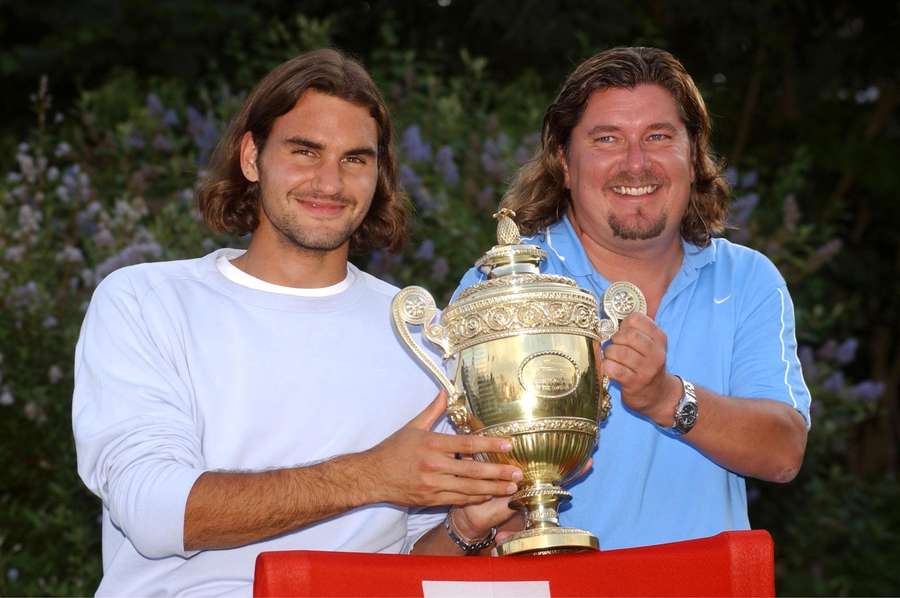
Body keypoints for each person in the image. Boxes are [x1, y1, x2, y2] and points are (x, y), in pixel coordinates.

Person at [73, 48, 521, 597]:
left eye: (355, 159)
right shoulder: (146, 300)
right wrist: (370, 474)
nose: (329, 183)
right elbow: (154, 507)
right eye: (305, 152)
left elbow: (412, 563)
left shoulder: (423, 332)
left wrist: (465, 527)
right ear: (251, 157)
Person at [455, 46, 811, 550]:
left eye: (659, 137)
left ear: (693, 154)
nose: (636, 163)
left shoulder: (747, 278)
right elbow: (457, 469)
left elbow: (784, 451)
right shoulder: (499, 288)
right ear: (564, 160)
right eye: (607, 139)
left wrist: (667, 397)